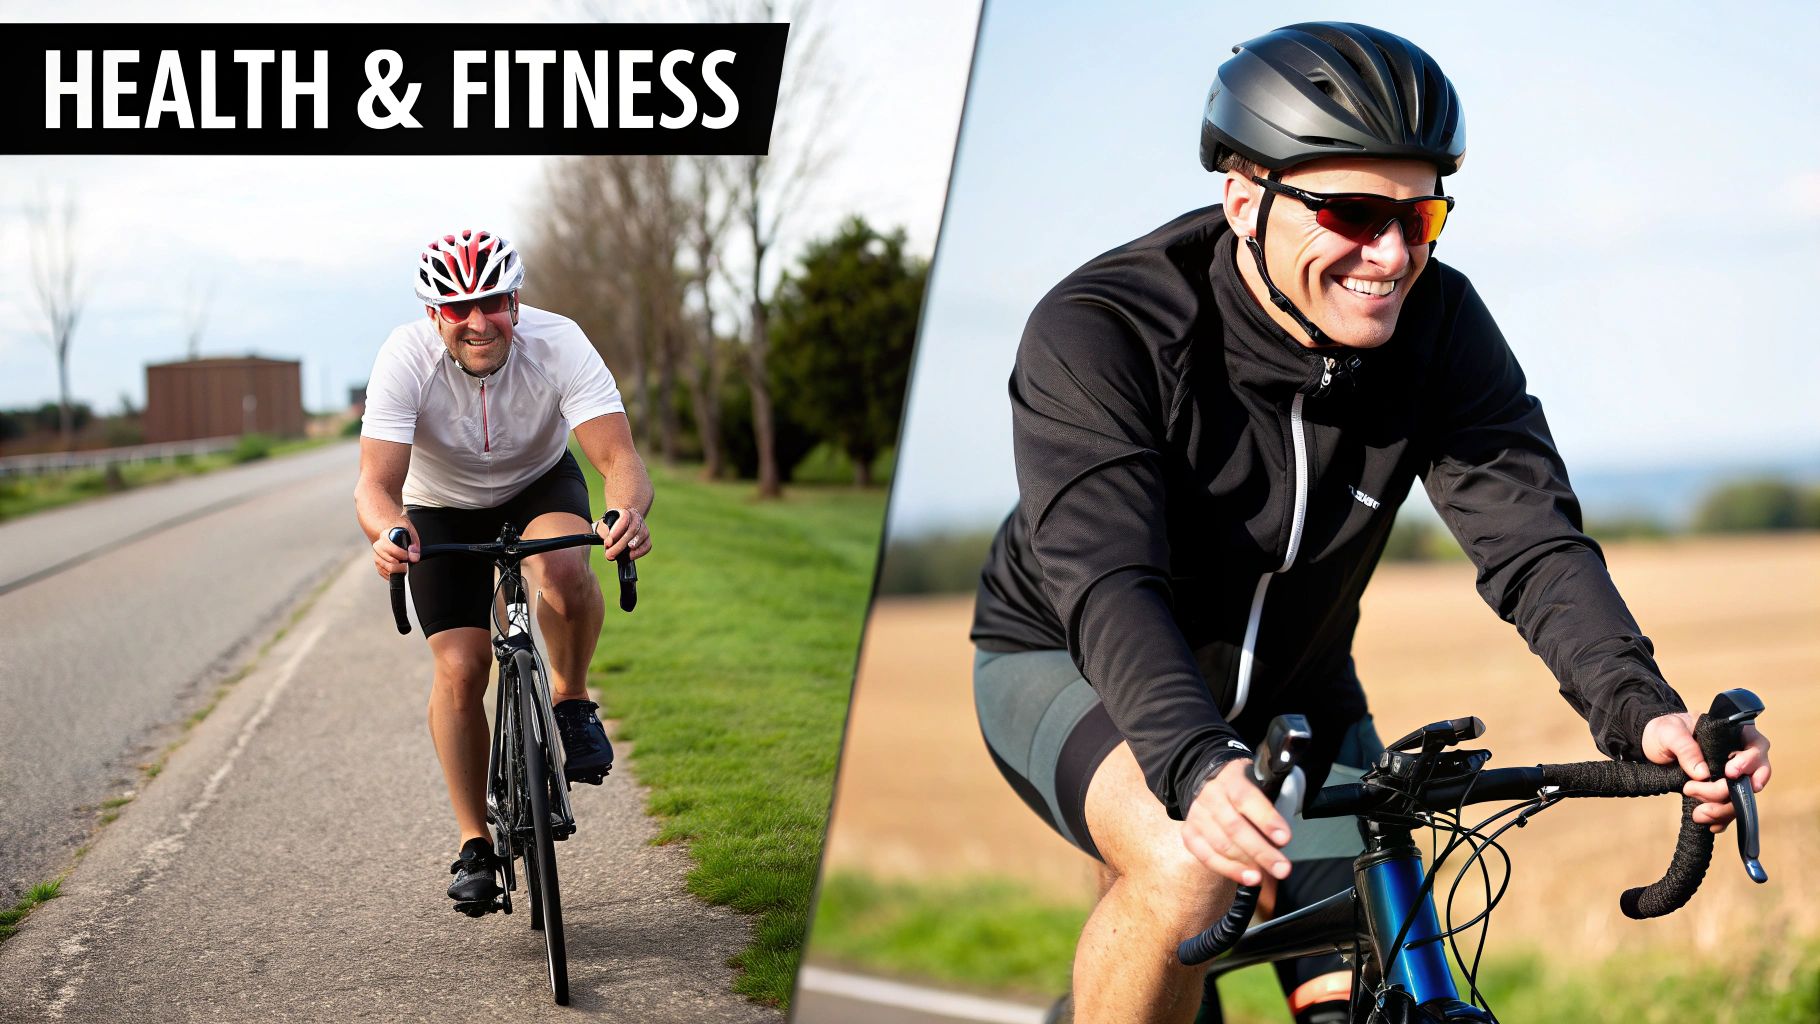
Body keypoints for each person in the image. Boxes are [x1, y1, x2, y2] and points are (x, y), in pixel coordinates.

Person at [969, 22, 1773, 1024]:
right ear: (1243, 200)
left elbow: (1531, 542)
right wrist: (1196, 761)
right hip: (1074, 663)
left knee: (1380, 974)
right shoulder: (1106, 330)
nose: (1391, 256)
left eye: (1419, 214)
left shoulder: (1439, 327)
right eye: (1352, 212)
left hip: (1300, 694)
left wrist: (1642, 712)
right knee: (1182, 868)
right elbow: (1110, 581)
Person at [354, 229, 654, 911]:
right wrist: (388, 531)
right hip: (440, 507)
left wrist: (626, 512)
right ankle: (475, 843)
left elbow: (619, 458)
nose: (477, 322)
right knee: (462, 668)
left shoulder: (560, 342)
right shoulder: (404, 358)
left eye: (492, 302)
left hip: (537, 484)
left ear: (515, 302)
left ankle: (571, 699)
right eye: (457, 308)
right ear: (434, 315)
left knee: (565, 570)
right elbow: (375, 484)